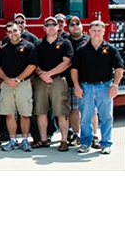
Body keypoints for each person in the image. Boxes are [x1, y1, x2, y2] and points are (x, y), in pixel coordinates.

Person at [70, 20, 124, 154]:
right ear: (89, 32)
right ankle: (85, 143)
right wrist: (77, 86)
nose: (96, 33)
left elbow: (119, 68)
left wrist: (115, 85)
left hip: (105, 87)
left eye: (99, 30)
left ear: (104, 32)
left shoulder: (110, 49)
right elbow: (74, 69)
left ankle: (106, 144)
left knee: (106, 117)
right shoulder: (82, 49)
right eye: (94, 30)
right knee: (86, 117)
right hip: (86, 87)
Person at [32, 17, 74, 151]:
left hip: (58, 81)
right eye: (47, 24)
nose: (51, 27)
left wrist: (48, 74)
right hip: (41, 81)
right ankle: (44, 140)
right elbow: (33, 63)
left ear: (58, 27)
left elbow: (67, 62)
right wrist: (42, 74)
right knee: (40, 111)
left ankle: (63, 141)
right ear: (44, 28)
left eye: (53, 24)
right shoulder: (38, 44)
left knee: (61, 111)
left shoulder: (65, 43)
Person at [0, 22, 37, 152]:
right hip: (7, 85)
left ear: (19, 30)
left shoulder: (29, 46)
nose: (12, 34)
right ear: (7, 34)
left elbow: (32, 65)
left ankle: (25, 140)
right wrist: (7, 80)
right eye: (9, 32)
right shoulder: (3, 48)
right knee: (9, 114)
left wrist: (18, 79)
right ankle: (12, 140)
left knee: (25, 114)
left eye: (14, 31)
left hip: (23, 84)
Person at [65, 16, 90, 147]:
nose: (75, 26)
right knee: (74, 110)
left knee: (90, 111)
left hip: (89, 81)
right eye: (72, 25)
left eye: (77, 24)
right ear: (68, 28)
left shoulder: (89, 41)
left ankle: (93, 136)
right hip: (71, 82)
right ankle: (76, 135)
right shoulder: (65, 42)